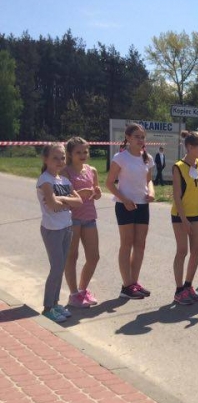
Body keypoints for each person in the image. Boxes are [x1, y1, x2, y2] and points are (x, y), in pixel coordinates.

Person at [106, 122, 155, 300]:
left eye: (142, 137)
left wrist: (151, 192)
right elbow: (109, 183)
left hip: (142, 205)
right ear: (128, 138)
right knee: (126, 243)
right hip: (124, 205)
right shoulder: (120, 158)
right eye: (136, 137)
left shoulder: (147, 158)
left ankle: (134, 282)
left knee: (140, 244)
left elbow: (148, 180)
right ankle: (126, 285)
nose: (140, 140)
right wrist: (125, 200)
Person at [37, 143, 84, 322]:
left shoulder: (64, 180)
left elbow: (79, 201)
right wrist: (66, 201)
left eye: (62, 157)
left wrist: (62, 198)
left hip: (66, 227)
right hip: (52, 229)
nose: (59, 161)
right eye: (55, 158)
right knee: (56, 267)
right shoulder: (45, 180)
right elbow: (52, 205)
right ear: (45, 159)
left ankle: (55, 303)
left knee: (61, 267)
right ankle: (48, 307)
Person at [63, 137, 101, 308]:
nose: (83, 155)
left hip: (89, 217)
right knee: (72, 256)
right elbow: (63, 197)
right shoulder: (65, 172)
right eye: (78, 152)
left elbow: (97, 194)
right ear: (70, 154)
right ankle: (73, 295)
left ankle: (82, 290)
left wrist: (97, 193)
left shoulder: (92, 170)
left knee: (94, 256)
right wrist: (79, 194)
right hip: (72, 219)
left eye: (85, 151)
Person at [170, 131, 198, 305]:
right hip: (181, 215)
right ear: (190, 147)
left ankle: (188, 285)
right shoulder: (178, 167)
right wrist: (184, 219)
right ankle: (179, 290)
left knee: (197, 250)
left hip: (196, 214)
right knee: (182, 250)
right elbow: (177, 196)